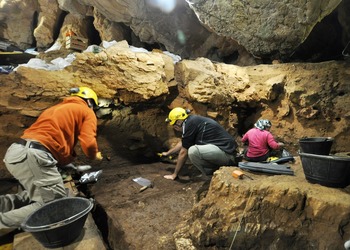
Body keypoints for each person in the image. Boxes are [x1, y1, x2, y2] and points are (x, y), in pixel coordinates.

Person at [0, 86, 103, 236]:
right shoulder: (86, 111)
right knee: (55, 204)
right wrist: (95, 155)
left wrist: (69, 166)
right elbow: (88, 143)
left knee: (33, 194)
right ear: (89, 102)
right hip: (33, 155)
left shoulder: (56, 109)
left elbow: (52, 143)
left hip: (18, 151)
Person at [161, 107, 238, 180]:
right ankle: (214, 169)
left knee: (193, 151)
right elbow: (184, 141)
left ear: (178, 121)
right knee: (193, 150)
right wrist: (168, 153)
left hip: (228, 155)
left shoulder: (190, 124)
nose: (175, 127)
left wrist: (174, 174)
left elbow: (183, 152)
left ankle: (210, 174)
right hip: (226, 152)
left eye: (174, 124)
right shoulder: (192, 121)